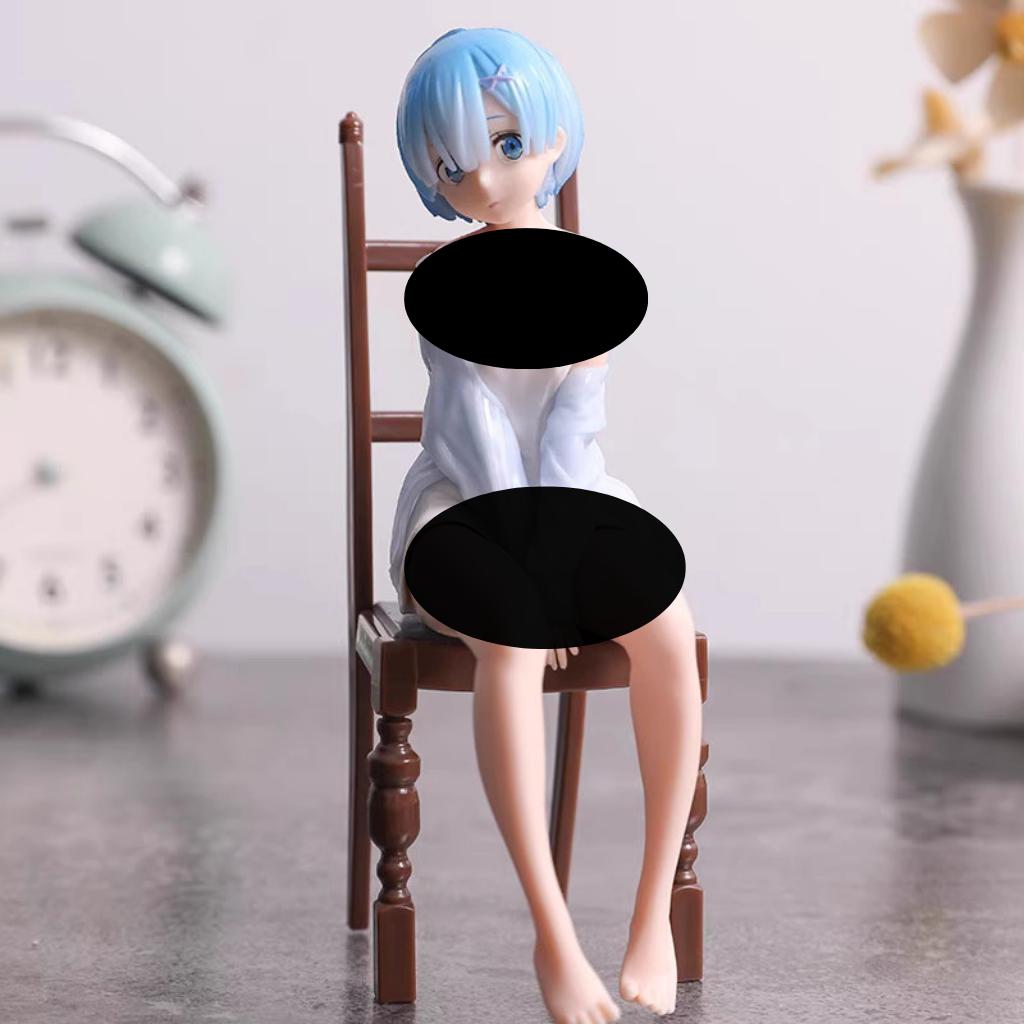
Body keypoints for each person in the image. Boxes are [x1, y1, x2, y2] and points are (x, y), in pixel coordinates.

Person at [391, 27, 704, 1021]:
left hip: (572, 496)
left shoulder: (587, 278)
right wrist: (527, 570)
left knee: (666, 626)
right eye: (454, 164)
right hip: (463, 508)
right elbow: (472, 430)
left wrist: (561, 557)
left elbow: (573, 426)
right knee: (514, 643)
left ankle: (650, 915)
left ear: (554, 137)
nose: (485, 177)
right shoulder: (446, 290)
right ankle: (551, 930)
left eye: (506, 144)